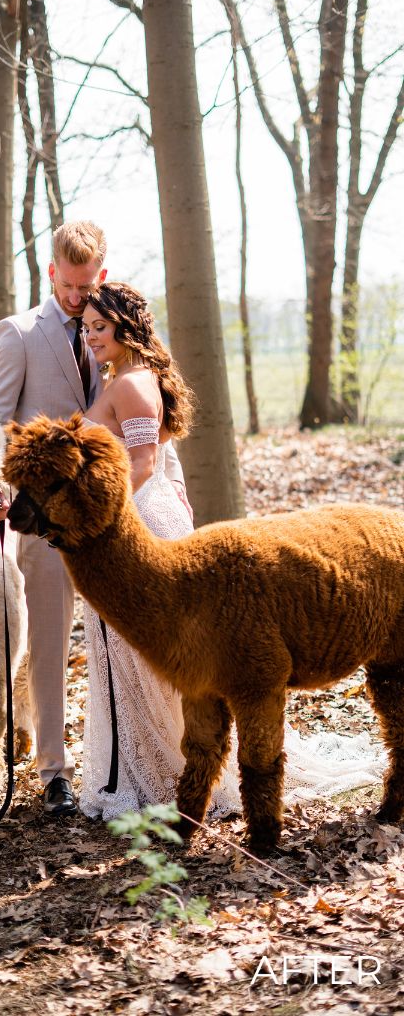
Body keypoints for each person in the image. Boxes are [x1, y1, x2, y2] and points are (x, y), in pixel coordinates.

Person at [78, 281, 385, 821]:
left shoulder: (130, 384)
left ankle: (169, 777)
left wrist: (101, 518)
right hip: (139, 517)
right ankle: (147, 772)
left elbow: (143, 463)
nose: (91, 337)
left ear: (126, 329)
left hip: (135, 521)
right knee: (132, 662)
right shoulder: (122, 379)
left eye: (100, 328)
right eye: (86, 328)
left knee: (161, 660)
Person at [0, 221, 187, 816]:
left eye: (85, 285)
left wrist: (172, 489)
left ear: (100, 274)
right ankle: (55, 771)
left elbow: (152, 433)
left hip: (122, 525)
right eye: (67, 286)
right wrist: (0, 490)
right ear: (52, 273)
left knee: (129, 647)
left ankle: (158, 758)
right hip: (48, 523)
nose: (76, 299)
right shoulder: (18, 334)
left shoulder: (112, 332)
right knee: (49, 642)